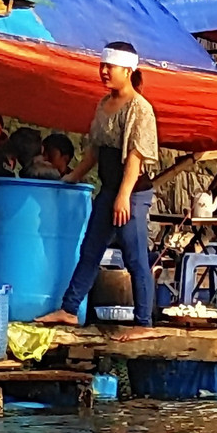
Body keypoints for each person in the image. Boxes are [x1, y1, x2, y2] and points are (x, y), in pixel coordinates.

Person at [62, 41, 161, 326]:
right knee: (90, 251)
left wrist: (123, 197)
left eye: (110, 67)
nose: (104, 71)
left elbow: (135, 157)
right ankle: (69, 310)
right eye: (102, 66)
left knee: (135, 257)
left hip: (132, 192)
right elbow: (94, 151)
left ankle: (144, 323)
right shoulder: (104, 104)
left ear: (127, 70)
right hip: (109, 189)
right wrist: (71, 177)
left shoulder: (139, 109)